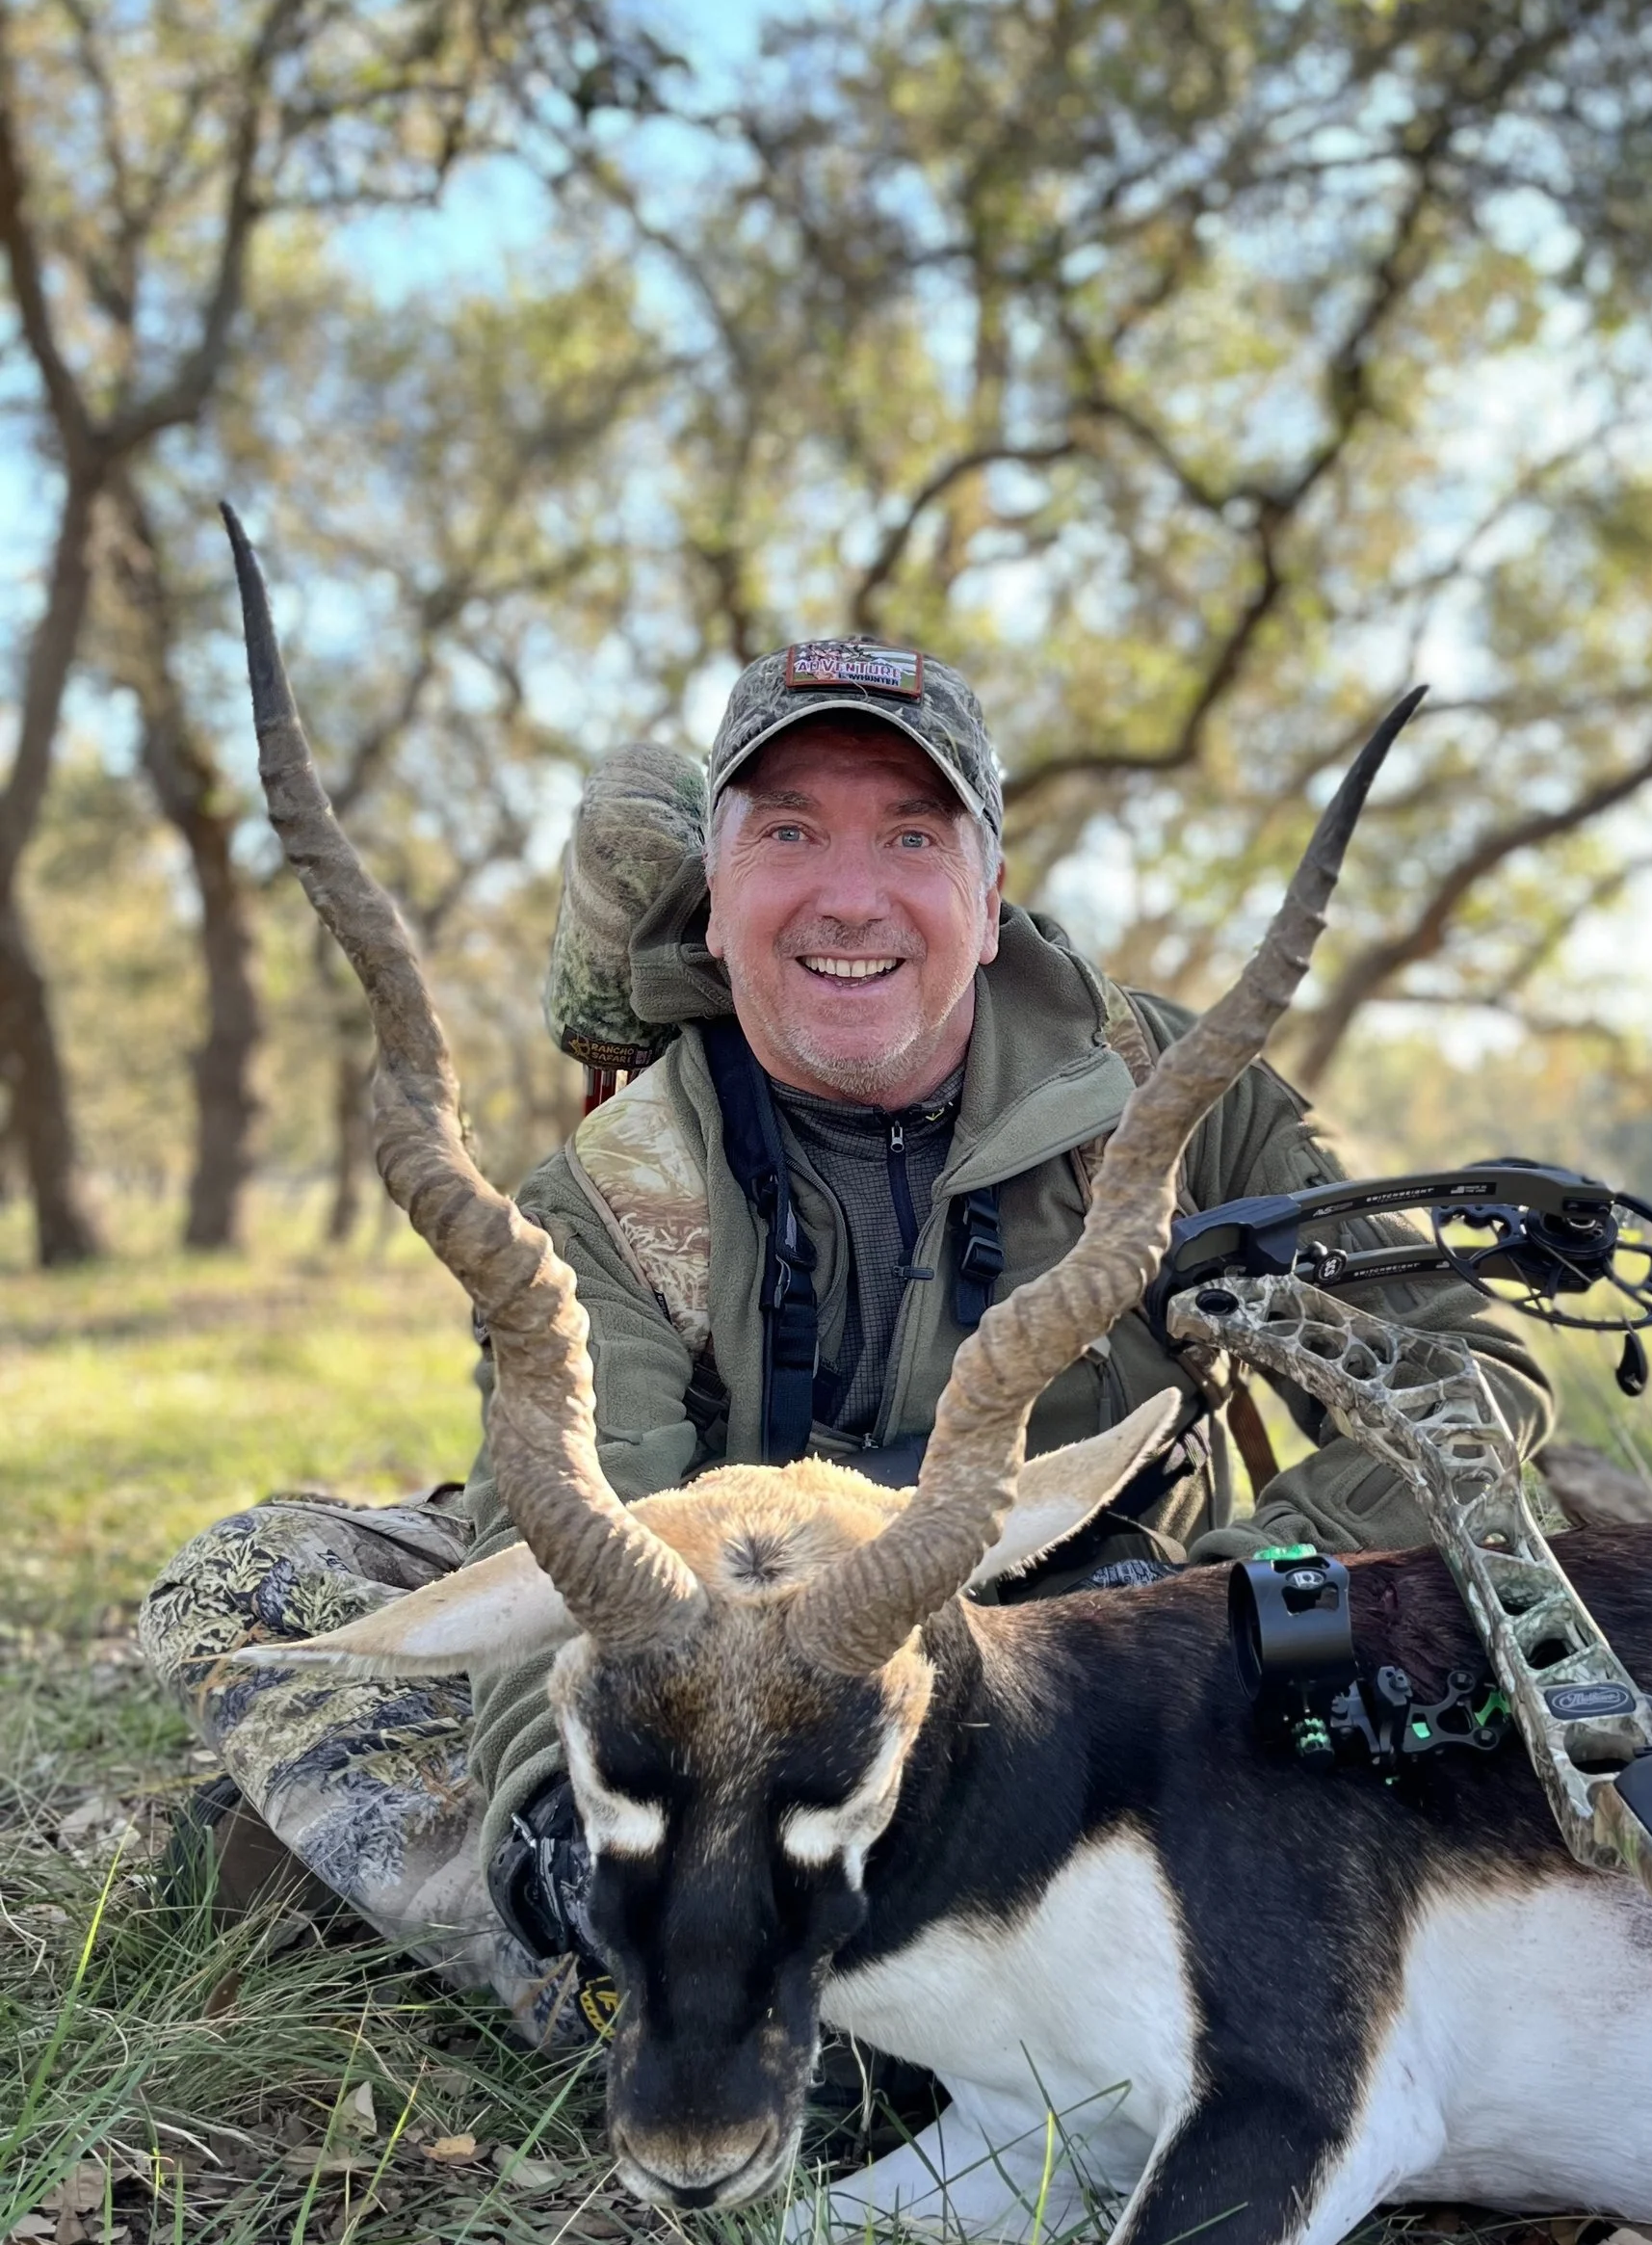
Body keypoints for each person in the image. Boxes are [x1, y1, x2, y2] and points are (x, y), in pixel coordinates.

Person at [142, 639, 1553, 2042]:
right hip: (740, 1684)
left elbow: (1465, 1375)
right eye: (790, 831)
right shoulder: (613, 1185)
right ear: (716, 898)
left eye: (911, 833)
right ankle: (593, 1925)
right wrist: (555, 1820)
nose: (850, 894)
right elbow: (574, 1516)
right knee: (246, 1585)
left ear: (988, 899)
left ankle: (623, 1943)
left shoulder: (1180, 1092)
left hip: (1097, 1672)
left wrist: (1220, 1615)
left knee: (1523, 1599)